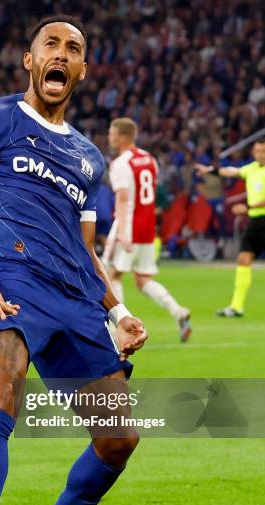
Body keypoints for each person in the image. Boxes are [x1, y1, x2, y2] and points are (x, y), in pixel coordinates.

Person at [0, 15, 148, 505]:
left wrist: (117, 310)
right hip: (9, 280)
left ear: (82, 70)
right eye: (51, 45)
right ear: (30, 61)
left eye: (74, 49)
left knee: (119, 440)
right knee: (2, 389)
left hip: (75, 298)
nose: (62, 54)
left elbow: (86, 250)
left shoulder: (88, 158)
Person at [102, 118, 192, 342]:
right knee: (142, 279)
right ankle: (178, 311)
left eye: (112, 133)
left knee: (111, 275)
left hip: (128, 225)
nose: (109, 137)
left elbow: (122, 199)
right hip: (147, 227)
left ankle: (117, 330)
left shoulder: (121, 163)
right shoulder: (150, 159)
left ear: (123, 136)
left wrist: (122, 232)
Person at [195, 138, 265, 316]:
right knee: (243, 259)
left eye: (263, 152)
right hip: (256, 222)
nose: (260, 155)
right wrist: (210, 170)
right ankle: (236, 306)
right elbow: (232, 172)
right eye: (257, 151)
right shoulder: (251, 169)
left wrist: (248, 207)